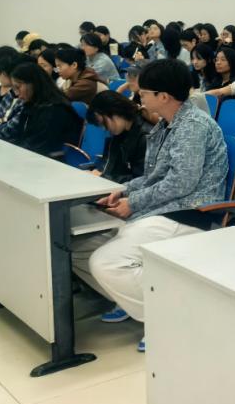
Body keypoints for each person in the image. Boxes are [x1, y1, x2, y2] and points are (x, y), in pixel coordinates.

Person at [72, 59, 226, 342]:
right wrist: (123, 190)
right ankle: (136, 300)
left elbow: (181, 183)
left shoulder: (192, 126)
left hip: (187, 212)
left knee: (105, 263)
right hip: (161, 209)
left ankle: (167, 317)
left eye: (143, 92)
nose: (137, 96)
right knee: (78, 248)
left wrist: (134, 202)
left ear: (163, 96)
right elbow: (154, 177)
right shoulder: (167, 125)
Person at [7, 62, 82, 155]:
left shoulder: (55, 110)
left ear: (33, 83)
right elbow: (19, 136)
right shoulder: (30, 104)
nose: (16, 93)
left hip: (52, 160)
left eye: (18, 87)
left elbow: (38, 147)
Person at [86, 90, 150, 183]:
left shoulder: (146, 137)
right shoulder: (119, 133)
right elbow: (109, 167)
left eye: (104, 123)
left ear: (115, 112)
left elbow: (141, 180)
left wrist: (103, 177)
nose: (104, 128)